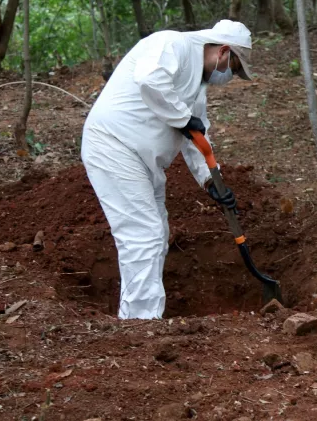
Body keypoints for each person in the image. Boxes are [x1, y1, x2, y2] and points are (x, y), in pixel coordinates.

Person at [81, 20, 253, 319]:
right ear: (223, 51)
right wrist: (184, 119)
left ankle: (140, 316)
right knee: (143, 233)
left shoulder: (197, 87)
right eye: (234, 68)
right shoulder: (173, 44)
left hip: (143, 160)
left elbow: (196, 136)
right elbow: (150, 80)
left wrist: (211, 182)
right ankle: (140, 326)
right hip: (113, 146)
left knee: (156, 231)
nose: (232, 77)